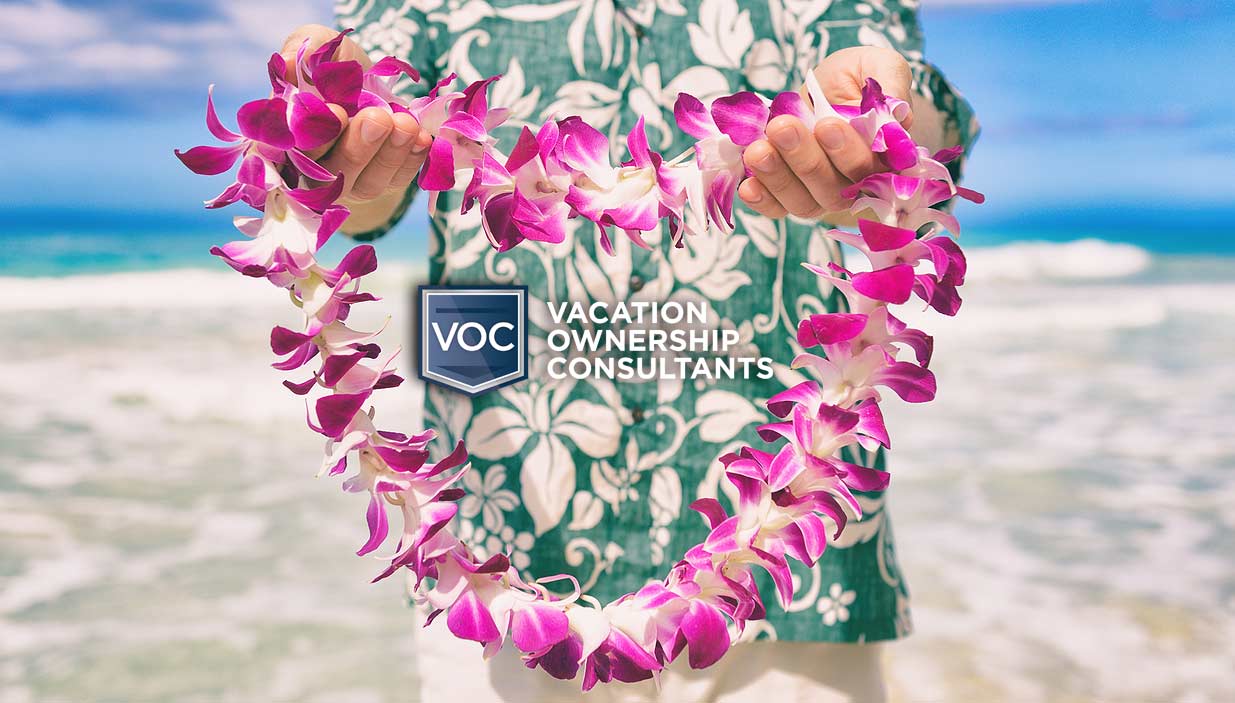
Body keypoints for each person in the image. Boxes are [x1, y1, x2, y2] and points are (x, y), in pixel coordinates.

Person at [280, 2, 977, 700]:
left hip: (789, 552)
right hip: (495, 539)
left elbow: (898, 85)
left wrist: (880, 120)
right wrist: (333, 126)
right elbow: (365, 188)